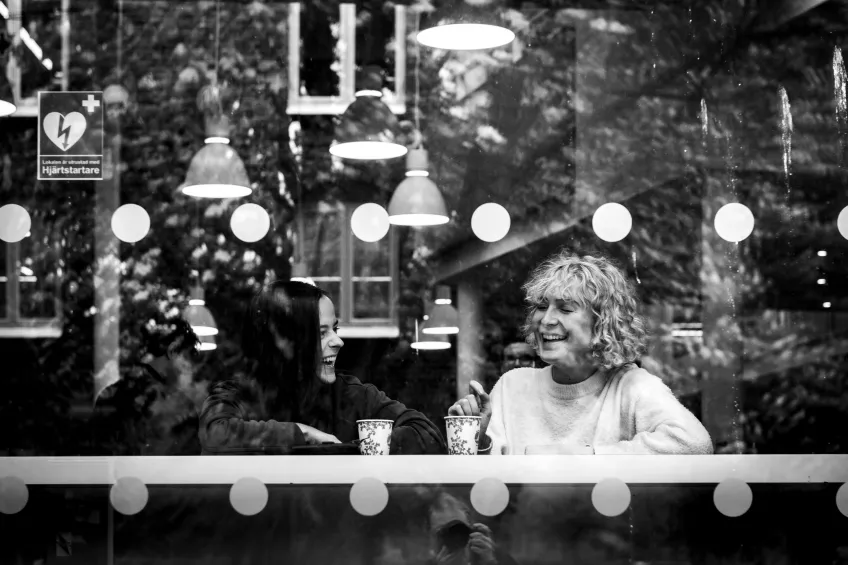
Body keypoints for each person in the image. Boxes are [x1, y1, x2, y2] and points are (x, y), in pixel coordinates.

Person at [449, 250, 713, 455]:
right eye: (542, 306)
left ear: (602, 322)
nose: (546, 320)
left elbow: (695, 444)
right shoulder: (512, 386)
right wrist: (478, 438)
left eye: (565, 309)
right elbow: (485, 484)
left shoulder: (631, 385)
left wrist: (586, 459)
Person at [199, 280, 447, 454]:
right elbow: (215, 434)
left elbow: (427, 434)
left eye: (335, 329)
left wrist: (349, 448)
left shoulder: (352, 394)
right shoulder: (241, 395)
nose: (338, 341)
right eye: (321, 333)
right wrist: (303, 434)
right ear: (283, 343)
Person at [92, 318, 203, 455]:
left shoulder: (115, 391)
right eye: (188, 355)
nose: (188, 365)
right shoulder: (168, 400)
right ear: (173, 350)